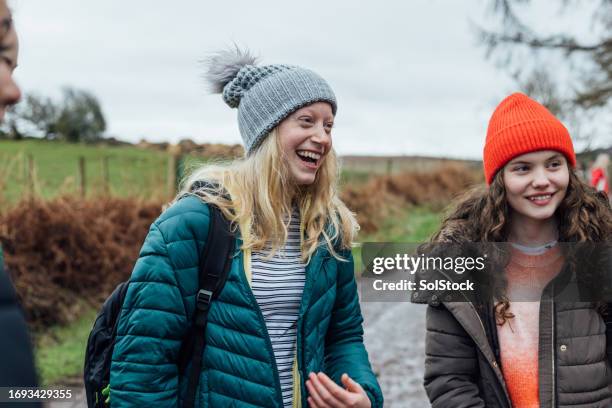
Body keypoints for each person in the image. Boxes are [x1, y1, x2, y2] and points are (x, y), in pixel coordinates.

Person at [110, 47, 383, 408]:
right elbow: (142, 366)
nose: (323, 137)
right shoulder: (194, 224)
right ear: (267, 131)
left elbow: (343, 336)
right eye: (306, 121)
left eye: (328, 125)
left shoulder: (327, 230)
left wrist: (363, 393)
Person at [416, 93, 612, 407]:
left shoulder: (599, 249)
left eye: (553, 164)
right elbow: (449, 380)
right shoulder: (458, 262)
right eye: (523, 168)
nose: (542, 180)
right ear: (499, 180)